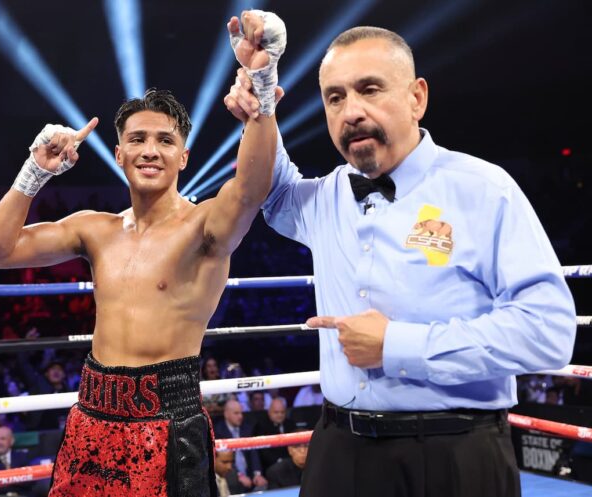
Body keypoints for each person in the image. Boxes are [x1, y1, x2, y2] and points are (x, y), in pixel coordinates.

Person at [224, 12, 577, 497]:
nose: (350, 111)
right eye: (335, 97)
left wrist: (397, 346)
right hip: (338, 450)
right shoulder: (327, 196)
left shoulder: (483, 189)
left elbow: (549, 331)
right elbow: (273, 189)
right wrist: (263, 92)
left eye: (370, 89)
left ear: (417, 98)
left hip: (455, 454)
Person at [0, 11, 285, 494]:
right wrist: (34, 172)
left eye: (165, 140)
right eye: (137, 139)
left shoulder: (203, 227)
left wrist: (263, 85)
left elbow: (251, 188)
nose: (150, 150)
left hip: (165, 421)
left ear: (183, 157)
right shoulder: (94, 229)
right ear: (118, 154)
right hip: (89, 415)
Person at [213, 399, 267, 491]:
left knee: (262, 485)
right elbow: (222, 459)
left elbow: (253, 453)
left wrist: (257, 474)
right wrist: (238, 475)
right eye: (236, 413)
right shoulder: (217, 431)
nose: (240, 416)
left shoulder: (247, 429)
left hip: (249, 475)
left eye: (241, 413)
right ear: (226, 414)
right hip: (230, 474)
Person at [0, 426, 37, 496]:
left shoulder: (22, 457)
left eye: (3, 439)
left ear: (11, 441)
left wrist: (7, 479)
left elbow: (30, 482)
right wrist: (16, 478)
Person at [253, 397, 295, 472]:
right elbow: (263, 451)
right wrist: (279, 462)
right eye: (276, 412)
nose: (280, 415)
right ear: (269, 412)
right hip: (270, 466)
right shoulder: (261, 426)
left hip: (291, 463)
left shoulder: (290, 424)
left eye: (282, 412)